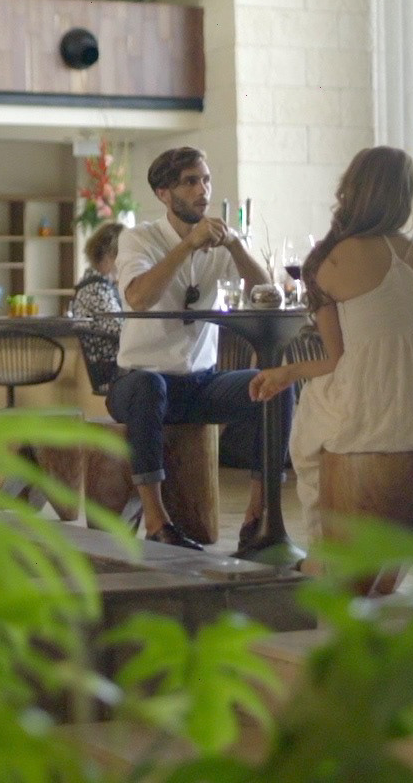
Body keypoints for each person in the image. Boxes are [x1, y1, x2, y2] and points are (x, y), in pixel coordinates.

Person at [249, 146, 413, 559]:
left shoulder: (333, 260)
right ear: (407, 197)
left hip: (378, 414)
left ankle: (326, 555)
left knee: (311, 422)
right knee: (331, 397)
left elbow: (339, 360)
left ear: (352, 190)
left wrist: (287, 373)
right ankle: (386, 554)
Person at [109, 146, 291, 552]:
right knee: (148, 387)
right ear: (163, 193)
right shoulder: (139, 239)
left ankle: (259, 514)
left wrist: (236, 246)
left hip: (200, 384)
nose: (203, 190)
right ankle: (157, 521)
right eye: (190, 182)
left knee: (277, 385)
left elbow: (267, 296)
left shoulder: (220, 244)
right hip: (138, 382)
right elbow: (138, 298)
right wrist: (187, 246)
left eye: (205, 180)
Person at [72, 221, 127, 394]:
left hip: (113, 364)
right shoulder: (97, 289)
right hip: (113, 368)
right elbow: (120, 330)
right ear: (110, 255)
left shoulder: (94, 285)